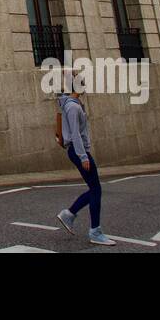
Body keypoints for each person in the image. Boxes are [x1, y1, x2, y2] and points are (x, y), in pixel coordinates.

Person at [55, 88, 115, 246]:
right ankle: (94, 231)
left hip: (76, 150)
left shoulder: (71, 104)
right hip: (78, 150)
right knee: (96, 189)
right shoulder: (73, 107)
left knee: (95, 188)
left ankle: (69, 214)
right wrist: (83, 156)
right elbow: (75, 134)